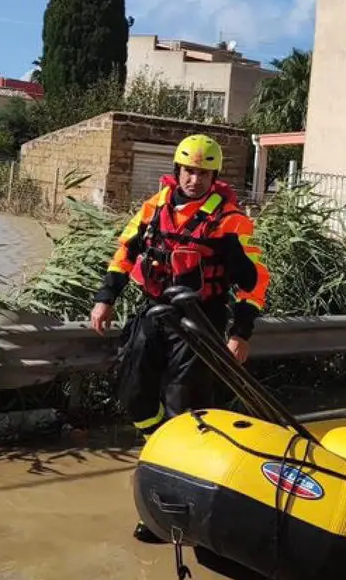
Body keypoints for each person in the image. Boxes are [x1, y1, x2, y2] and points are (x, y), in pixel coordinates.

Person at [88, 134, 271, 539]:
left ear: (213, 176)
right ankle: (158, 448)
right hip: (154, 314)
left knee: (183, 409)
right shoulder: (154, 208)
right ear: (177, 170)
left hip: (199, 323)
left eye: (204, 173)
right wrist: (105, 299)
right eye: (189, 170)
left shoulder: (229, 221)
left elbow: (255, 283)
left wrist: (240, 332)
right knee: (133, 391)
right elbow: (125, 254)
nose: (194, 179)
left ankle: (168, 514)